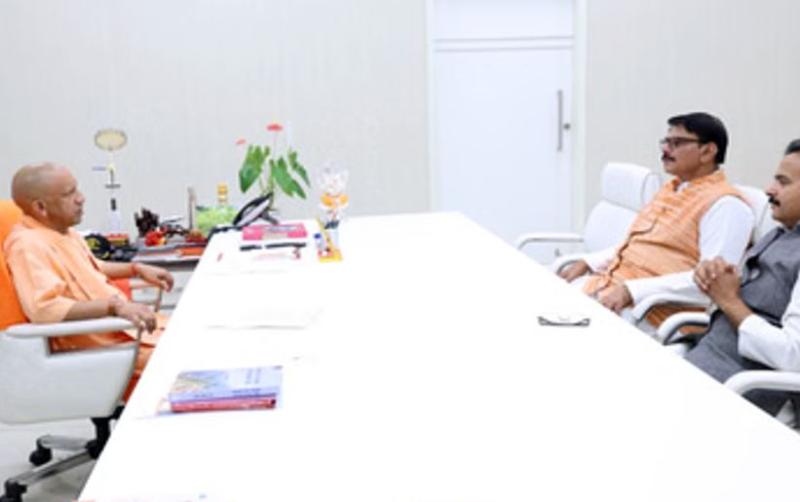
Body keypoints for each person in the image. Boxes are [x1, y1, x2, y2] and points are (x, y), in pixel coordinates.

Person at [559, 112, 754, 330]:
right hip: (608, 289)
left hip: (652, 313)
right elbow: (638, 247)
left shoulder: (727, 205)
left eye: (677, 143)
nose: (665, 150)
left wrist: (633, 291)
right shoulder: (673, 189)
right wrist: (589, 262)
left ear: (708, 151)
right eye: (665, 142)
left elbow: (714, 283)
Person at [4, 162, 174, 398]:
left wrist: (136, 268)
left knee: (202, 335)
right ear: (41, 207)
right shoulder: (28, 245)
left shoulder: (64, 232)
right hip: (98, 345)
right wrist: (114, 307)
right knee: (189, 358)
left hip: (123, 330)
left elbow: (93, 268)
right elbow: (44, 309)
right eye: (69, 194)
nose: (81, 198)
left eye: (77, 189)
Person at [685, 140, 800, 415]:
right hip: (706, 360)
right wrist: (715, 280)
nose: (769, 190)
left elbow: (793, 355)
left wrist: (729, 300)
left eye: (783, 182)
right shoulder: (781, 233)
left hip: (745, 391)